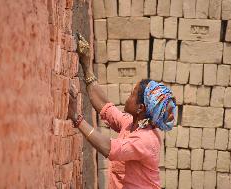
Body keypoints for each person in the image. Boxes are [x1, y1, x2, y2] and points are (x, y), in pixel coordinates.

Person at [69, 34, 177, 189]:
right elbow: (105, 106)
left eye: (133, 94)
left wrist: (76, 117)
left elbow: (109, 148)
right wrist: (86, 65)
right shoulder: (131, 123)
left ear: (141, 108)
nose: (129, 96)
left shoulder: (146, 141)